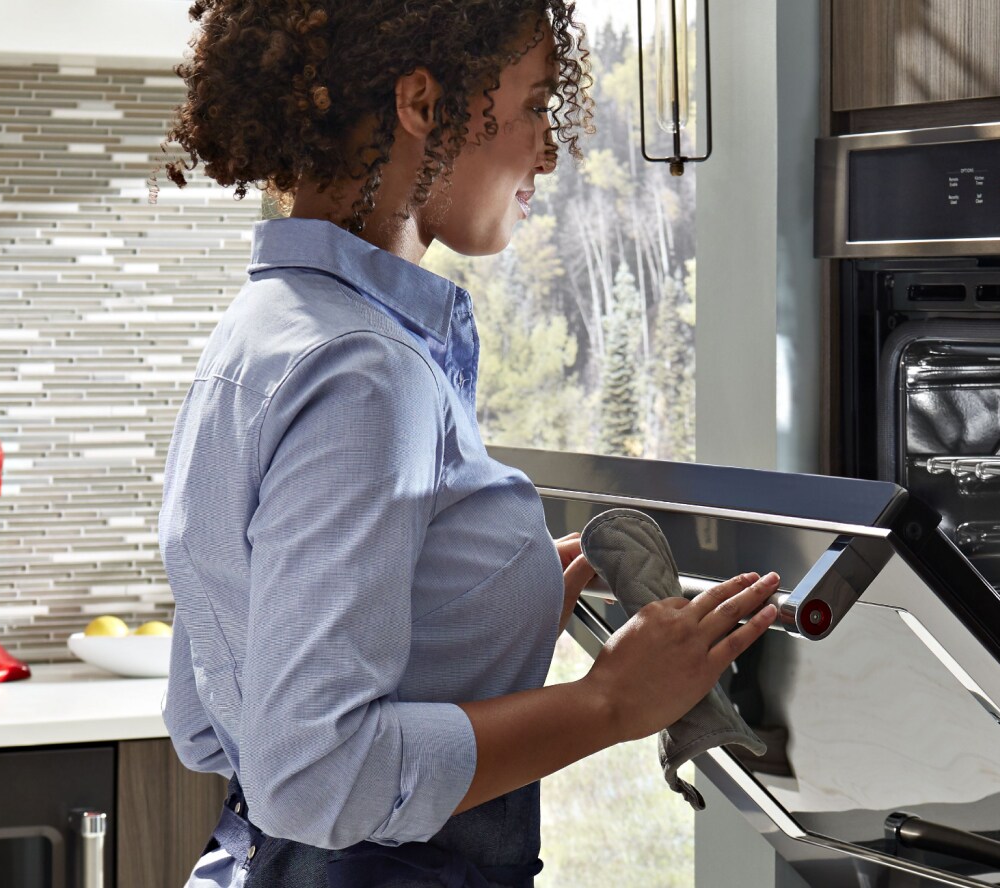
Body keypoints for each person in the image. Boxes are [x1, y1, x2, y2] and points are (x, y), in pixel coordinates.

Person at [152, 2, 780, 885]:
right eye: (530, 106)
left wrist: (477, 618)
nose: (548, 150)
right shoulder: (368, 373)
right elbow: (317, 776)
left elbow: (206, 717)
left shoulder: (260, 332)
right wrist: (609, 703)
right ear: (422, 103)